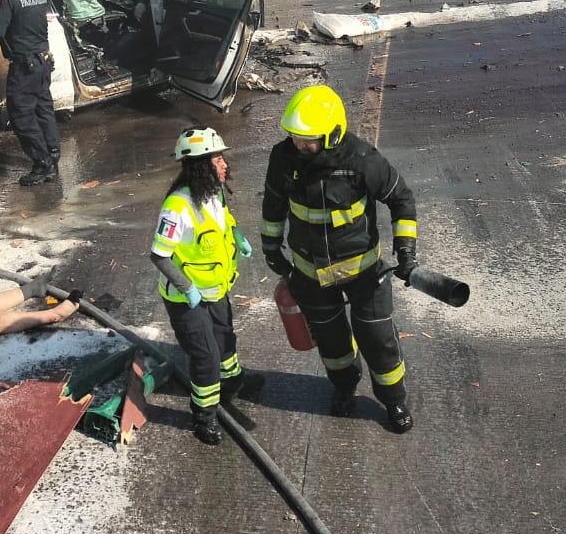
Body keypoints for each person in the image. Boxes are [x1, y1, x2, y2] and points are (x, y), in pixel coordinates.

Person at [262, 86, 417, 433]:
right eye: (294, 138)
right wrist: (271, 248)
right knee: (332, 344)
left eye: (307, 141)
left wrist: (406, 250)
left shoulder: (361, 160)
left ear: (332, 135)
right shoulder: (284, 158)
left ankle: (394, 401)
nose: (298, 147)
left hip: (364, 274)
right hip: (310, 275)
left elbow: (402, 199)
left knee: (378, 341)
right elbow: (273, 204)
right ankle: (344, 387)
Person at [150, 127, 254, 445]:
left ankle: (232, 382)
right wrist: (187, 289)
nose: (224, 165)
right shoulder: (177, 207)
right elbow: (159, 256)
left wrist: (237, 236)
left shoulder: (215, 193)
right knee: (206, 356)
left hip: (216, 289)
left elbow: (223, 220)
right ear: (199, 165)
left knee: (224, 337)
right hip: (187, 298)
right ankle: (203, 415)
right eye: (218, 159)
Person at [0, 0, 60, 186]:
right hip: (43, 61)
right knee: (43, 109)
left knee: (21, 115)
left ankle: (42, 164)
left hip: (25, 66)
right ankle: (53, 154)